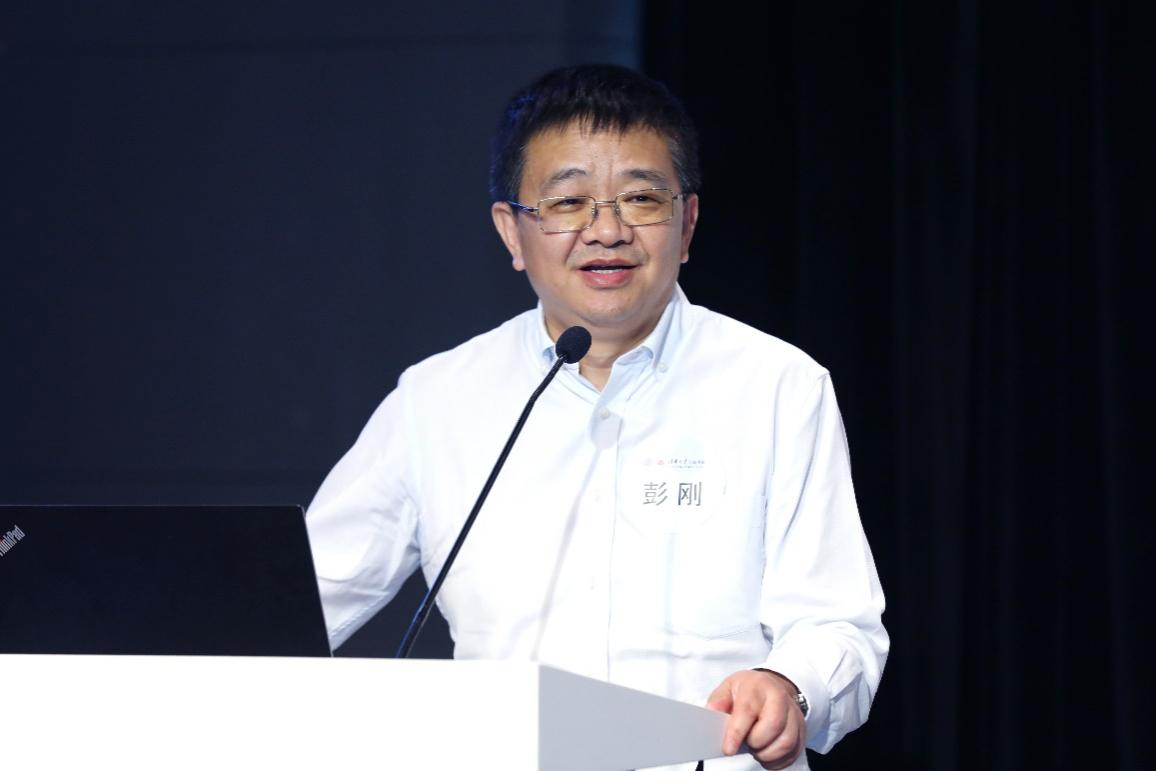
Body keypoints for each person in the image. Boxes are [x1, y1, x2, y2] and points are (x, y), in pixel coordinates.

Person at [306, 64, 888, 771]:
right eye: (568, 201)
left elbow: (839, 625)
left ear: (687, 223)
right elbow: (300, 600)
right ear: (512, 232)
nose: (606, 230)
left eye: (641, 198)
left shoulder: (777, 386)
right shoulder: (436, 400)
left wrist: (787, 684)